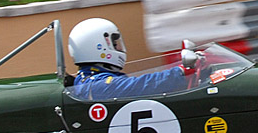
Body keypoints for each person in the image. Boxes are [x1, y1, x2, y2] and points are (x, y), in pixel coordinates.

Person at [68, 18, 198, 100]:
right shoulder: (96, 84)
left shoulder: (89, 79)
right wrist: (179, 72)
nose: (119, 48)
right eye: (115, 44)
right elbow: (139, 85)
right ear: (100, 47)